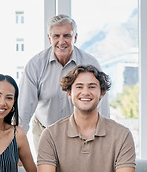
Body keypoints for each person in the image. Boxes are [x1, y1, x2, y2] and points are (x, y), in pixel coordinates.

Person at [28, 65, 135, 172]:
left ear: (101, 93)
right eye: (79, 86)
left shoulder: (122, 134)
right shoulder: (51, 134)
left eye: (92, 87)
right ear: (69, 93)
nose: (85, 92)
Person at [18, 14, 110, 153]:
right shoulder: (35, 65)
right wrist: (17, 145)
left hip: (81, 133)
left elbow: (101, 105)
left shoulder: (90, 64)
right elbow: (24, 108)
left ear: (75, 38)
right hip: (44, 130)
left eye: (67, 35)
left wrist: (103, 139)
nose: (61, 41)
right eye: (56, 36)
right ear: (49, 38)